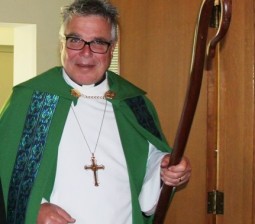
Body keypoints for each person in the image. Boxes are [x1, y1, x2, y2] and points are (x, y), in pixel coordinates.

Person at [0, 0, 192, 223]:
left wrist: (166, 169)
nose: (85, 53)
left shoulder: (133, 103)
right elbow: (5, 168)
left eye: (98, 43)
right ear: (61, 44)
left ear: (112, 47)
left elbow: (151, 160)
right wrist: (34, 209)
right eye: (75, 40)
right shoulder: (31, 99)